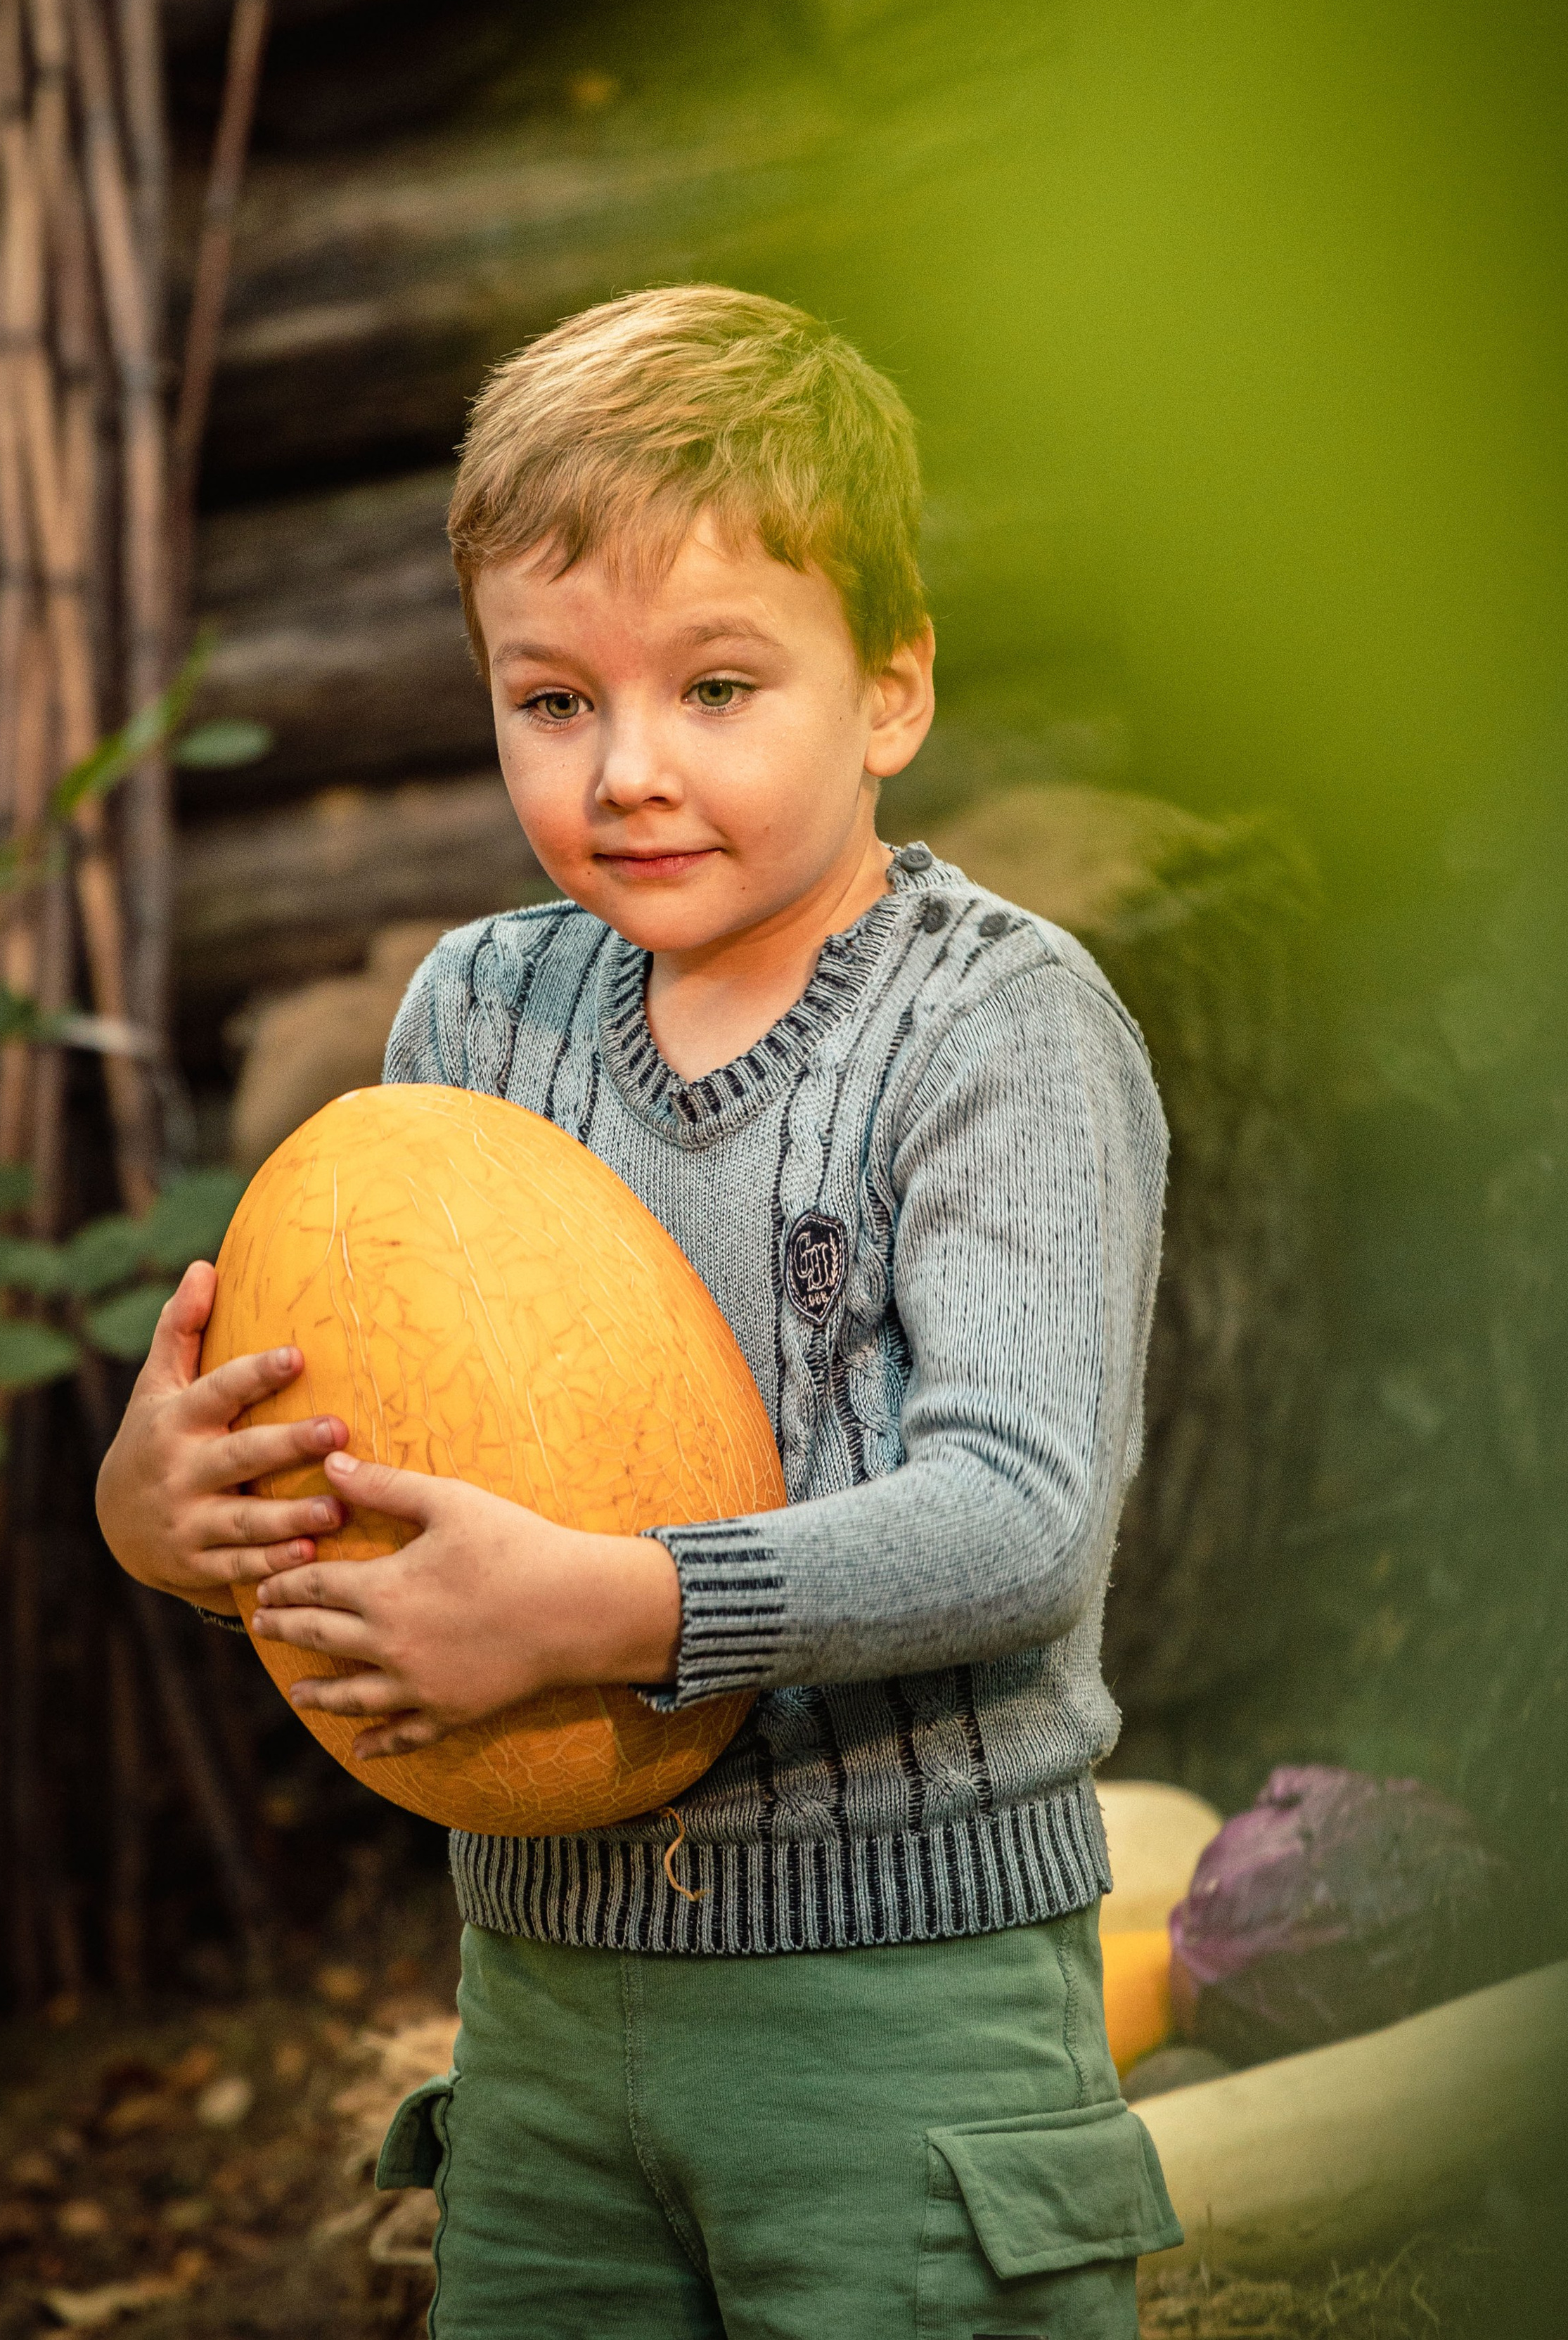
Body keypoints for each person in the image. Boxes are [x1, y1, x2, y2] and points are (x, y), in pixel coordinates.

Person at [95, 285, 1181, 2336]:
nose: (631, 773)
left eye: (716, 687)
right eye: (555, 702)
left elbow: (1024, 1513)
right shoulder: (474, 1019)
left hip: (899, 2021)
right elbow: (359, 1446)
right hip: (539, 2000)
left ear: (891, 688)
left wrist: (614, 1607)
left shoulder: (998, 1028)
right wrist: (166, 1516)